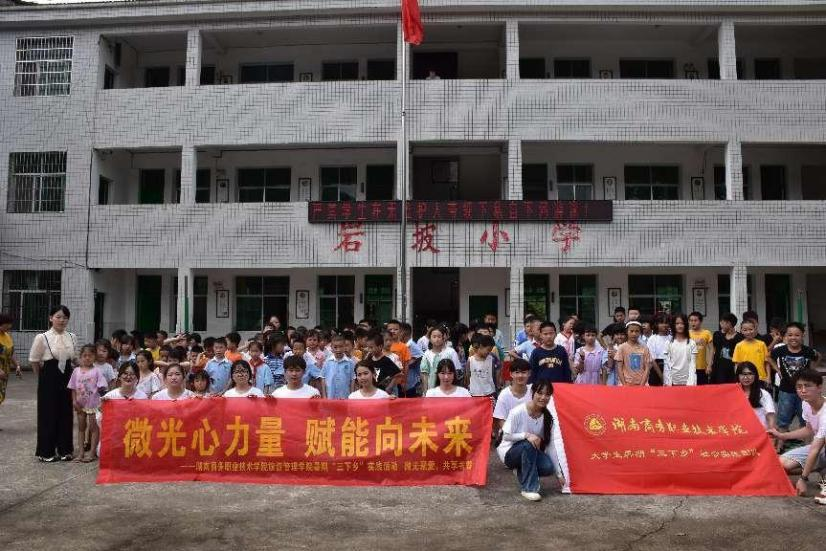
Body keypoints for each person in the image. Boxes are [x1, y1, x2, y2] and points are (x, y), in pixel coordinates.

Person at [497, 381, 566, 501]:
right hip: (509, 453)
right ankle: (529, 489)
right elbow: (506, 436)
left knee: (548, 467)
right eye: (540, 393)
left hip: (529, 451)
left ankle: (521, 469)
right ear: (532, 393)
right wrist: (526, 435)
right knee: (528, 444)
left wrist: (559, 474)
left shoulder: (548, 417)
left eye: (547, 394)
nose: (543, 397)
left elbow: (551, 446)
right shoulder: (518, 412)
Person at [29, 305, 78, 462]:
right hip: (48, 377)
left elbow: (74, 359)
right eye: (58, 317)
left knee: (66, 412)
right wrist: (42, 377)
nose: (62, 320)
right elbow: (34, 360)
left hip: (67, 376)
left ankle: (65, 450)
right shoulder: (42, 337)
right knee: (48, 413)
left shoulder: (72, 336)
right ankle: (46, 451)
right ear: (50, 318)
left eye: (65, 317)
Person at [768, 369, 826, 498]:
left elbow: (815, 449)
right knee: (781, 463)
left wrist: (803, 479)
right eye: (799, 387)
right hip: (820, 448)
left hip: (821, 448)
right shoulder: (806, 404)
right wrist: (782, 435)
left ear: (819, 387)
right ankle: (821, 468)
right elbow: (809, 429)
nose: (803, 390)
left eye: (807, 386)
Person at [770, 322, 820, 440]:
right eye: (790, 335)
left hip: (804, 392)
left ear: (803, 335)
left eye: (797, 335)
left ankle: (804, 443)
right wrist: (777, 369)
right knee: (783, 419)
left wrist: (811, 370)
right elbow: (768, 357)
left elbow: (818, 357)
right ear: (785, 336)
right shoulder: (780, 350)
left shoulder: (807, 351)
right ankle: (780, 444)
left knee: (805, 419)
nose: (793, 338)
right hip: (786, 390)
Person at [66, 344, 108, 462]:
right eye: (85, 355)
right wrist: (74, 401)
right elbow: (73, 388)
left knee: (93, 428)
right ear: (80, 357)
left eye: (90, 355)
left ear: (94, 357)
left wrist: (102, 402)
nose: (87, 358)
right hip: (80, 405)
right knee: (81, 428)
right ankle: (80, 453)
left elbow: (102, 388)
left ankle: (92, 453)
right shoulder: (76, 371)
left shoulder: (97, 371)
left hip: (93, 405)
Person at [493, 358, 531, 432]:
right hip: (510, 433)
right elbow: (500, 420)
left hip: (530, 433)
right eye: (517, 372)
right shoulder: (504, 395)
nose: (520, 375)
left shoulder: (533, 392)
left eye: (523, 372)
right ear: (511, 374)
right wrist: (516, 435)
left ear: (529, 373)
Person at [735, 362, 776, 429]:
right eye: (743, 374)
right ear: (738, 376)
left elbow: (770, 416)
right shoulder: (733, 394)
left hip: (759, 432)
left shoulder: (764, 394)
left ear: (755, 375)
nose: (746, 377)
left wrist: (771, 431)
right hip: (739, 431)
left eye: (750, 374)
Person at [420, 325, 461, 391]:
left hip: (448, 390)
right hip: (432, 390)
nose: (437, 339)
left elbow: (456, 371)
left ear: (443, 338)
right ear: (430, 339)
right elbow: (424, 374)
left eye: (439, 336)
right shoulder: (427, 354)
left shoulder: (451, 352)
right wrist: (425, 391)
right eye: (434, 337)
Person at [732, 319, 771, 388]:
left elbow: (767, 362)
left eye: (751, 329)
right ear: (741, 331)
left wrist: (768, 377)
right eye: (745, 330)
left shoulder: (761, 344)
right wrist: (737, 378)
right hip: (745, 378)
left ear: (755, 330)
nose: (748, 332)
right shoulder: (739, 346)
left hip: (760, 377)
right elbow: (737, 364)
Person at [613, 321, 653, 386]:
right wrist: (624, 385)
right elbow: (619, 368)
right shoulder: (622, 348)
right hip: (626, 384)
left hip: (642, 384)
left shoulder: (645, 348)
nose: (634, 334)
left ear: (640, 333)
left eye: (637, 331)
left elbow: (647, 368)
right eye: (631, 331)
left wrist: (642, 385)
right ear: (627, 332)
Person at [663, 313, 698, 386]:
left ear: (685, 325)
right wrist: (666, 382)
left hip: (688, 382)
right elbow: (666, 365)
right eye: (677, 323)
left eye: (682, 323)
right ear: (673, 325)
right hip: (672, 382)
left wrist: (691, 382)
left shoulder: (692, 343)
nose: (680, 326)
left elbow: (693, 365)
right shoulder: (668, 343)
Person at [711, 313, 743, 384]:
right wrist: (710, 365)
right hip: (718, 369)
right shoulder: (718, 335)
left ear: (729, 323)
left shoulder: (740, 337)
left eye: (722, 323)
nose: (720, 324)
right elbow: (713, 350)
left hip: (732, 370)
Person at [0, 313, 21, 412]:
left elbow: (11, 353)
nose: (10, 326)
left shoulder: (7, 336)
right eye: (8, 324)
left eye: (10, 324)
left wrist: (17, 365)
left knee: (1, 396)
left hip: (4, 373)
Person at [466, 334, 498, 400]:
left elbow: (492, 375)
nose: (489, 352)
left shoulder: (491, 359)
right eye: (488, 350)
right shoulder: (470, 360)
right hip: (475, 393)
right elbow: (467, 376)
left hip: (489, 392)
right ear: (481, 346)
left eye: (490, 350)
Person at [688, 312, 714, 385]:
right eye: (691, 320)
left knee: (703, 388)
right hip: (689, 368)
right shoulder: (686, 333)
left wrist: (709, 365)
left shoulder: (707, 333)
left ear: (700, 321)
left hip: (703, 367)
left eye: (695, 320)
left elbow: (711, 349)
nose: (693, 323)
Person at [645, 314, 670, 386]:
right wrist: (662, 376)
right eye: (661, 323)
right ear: (656, 324)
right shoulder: (652, 339)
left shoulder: (671, 338)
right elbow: (652, 359)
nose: (664, 325)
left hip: (669, 367)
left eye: (666, 322)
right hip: (656, 367)